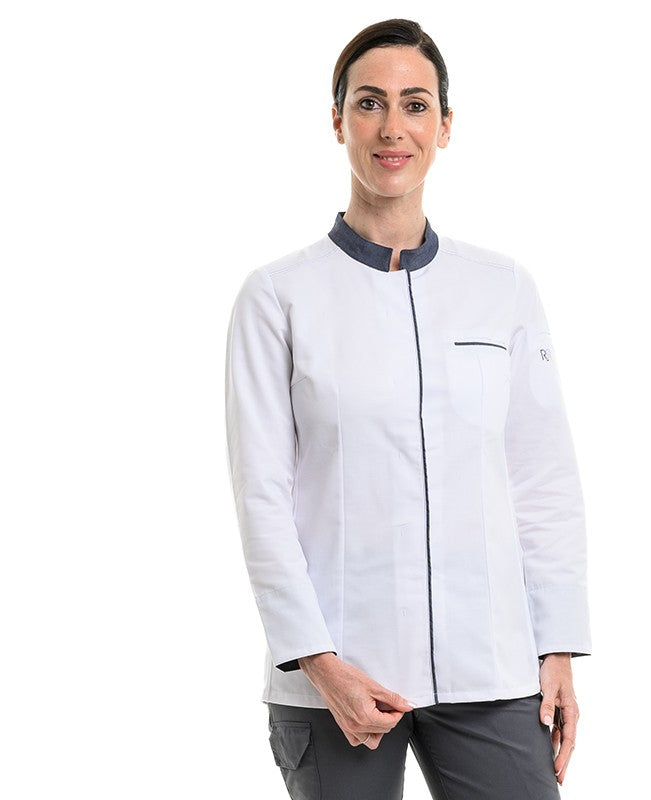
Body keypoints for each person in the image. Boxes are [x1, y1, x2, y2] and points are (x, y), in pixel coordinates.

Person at [224, 18, 591, 800]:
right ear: (338, 122)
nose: (393, 127)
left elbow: (543, 483)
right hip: (337, 671)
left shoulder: (503, 289)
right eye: (369, 103)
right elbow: (263, 500)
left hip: (490, 665)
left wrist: (556, 645)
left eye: (415, 105)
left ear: (445, 126)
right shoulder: (278, 297)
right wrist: (319, 663)